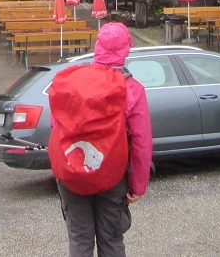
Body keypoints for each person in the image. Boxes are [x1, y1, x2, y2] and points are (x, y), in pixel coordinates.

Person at [54, 22, 152, 256]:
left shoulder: (72, 81)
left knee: (80, 240)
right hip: (111, 174)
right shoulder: (133, 90)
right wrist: (138, 185)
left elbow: (56, 126)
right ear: (127, 50)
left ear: (97, 46)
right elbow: (140, 141)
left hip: (72, 173)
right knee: (111, 240)